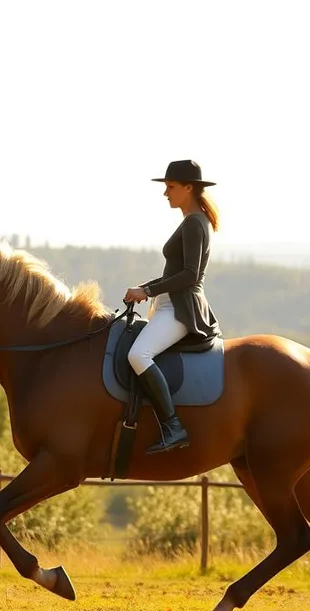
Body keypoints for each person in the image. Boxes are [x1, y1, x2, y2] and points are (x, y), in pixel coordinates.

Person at [123, 160, 223, 453]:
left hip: (182, 309)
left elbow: (190, 275)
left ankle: (173, 426)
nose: (165, 193)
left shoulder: (194, 222)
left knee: (138, 355)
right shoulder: (193, 220)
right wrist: (144, 289)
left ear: (188, 188)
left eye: (171, 187)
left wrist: (148, 289)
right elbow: (174, 274)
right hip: (168, 304)